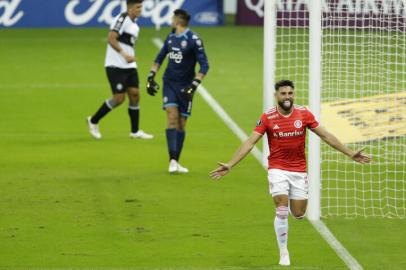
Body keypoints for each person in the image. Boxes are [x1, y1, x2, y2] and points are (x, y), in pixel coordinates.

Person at [209, 80, 371, 266]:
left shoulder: (304, 114)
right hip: (277, 168)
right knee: (281, 206)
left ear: (294, 95)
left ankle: (301, 200)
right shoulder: (268, 117)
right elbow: (250, 142)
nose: (287, 97)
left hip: (298, 170)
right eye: (283, 93)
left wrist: (350, 153)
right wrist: (231, 164)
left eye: (290, 93)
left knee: (299, 213)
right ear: (276, 96)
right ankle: (283, 251)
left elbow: (325, 135)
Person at [146, 9, 209, 173]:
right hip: (169, 83)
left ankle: (176, 161)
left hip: (186, 86)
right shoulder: (170, 37)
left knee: (182, 123)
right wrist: (151, 77)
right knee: (172, 117)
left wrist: (194, 85)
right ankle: (172, 160)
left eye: (173, 18)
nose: (171, 20)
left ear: (178, 21)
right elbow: (159, 59)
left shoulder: (193, 40)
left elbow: (204, 65)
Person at [87, 0, 153, 140]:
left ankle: (134, 132)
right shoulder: (122, 19)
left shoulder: (135, 25)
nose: (140, 10)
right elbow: (111, 38)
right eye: (137, 7)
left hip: (129, 66)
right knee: (119, 98)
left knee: (135, 94)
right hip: (115, 65)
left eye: (141, 6)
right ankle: (93, 121)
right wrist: (125, 55)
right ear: (129, 8)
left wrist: (130, 57)